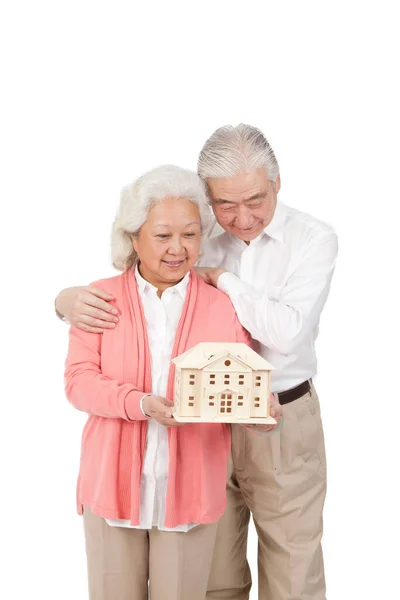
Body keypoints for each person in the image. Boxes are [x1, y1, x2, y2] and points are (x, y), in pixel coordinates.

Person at [56, 124, 338, 600]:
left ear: (278, 183)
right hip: (200, 430)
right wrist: (64, 301)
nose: (242, 217)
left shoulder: (311, 239)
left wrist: (224, 280)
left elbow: (286, 335)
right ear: (209, 199)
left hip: (278, 413)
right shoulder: (198, 233)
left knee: (292, 563)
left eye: (255, 200)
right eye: (226, 204)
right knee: (212, 574)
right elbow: (133, 282)